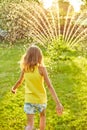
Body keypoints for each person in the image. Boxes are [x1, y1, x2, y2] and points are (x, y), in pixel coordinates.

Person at [11, 45, 63, 130]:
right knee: (42, 116)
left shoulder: (25, 68)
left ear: (27, 56)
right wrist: (58, 103)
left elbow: (19, 81)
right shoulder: (42, 69)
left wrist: (14, 88)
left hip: (29, 99)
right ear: (39, 56)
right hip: (41, 99)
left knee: (30, 125)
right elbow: (49, 86)